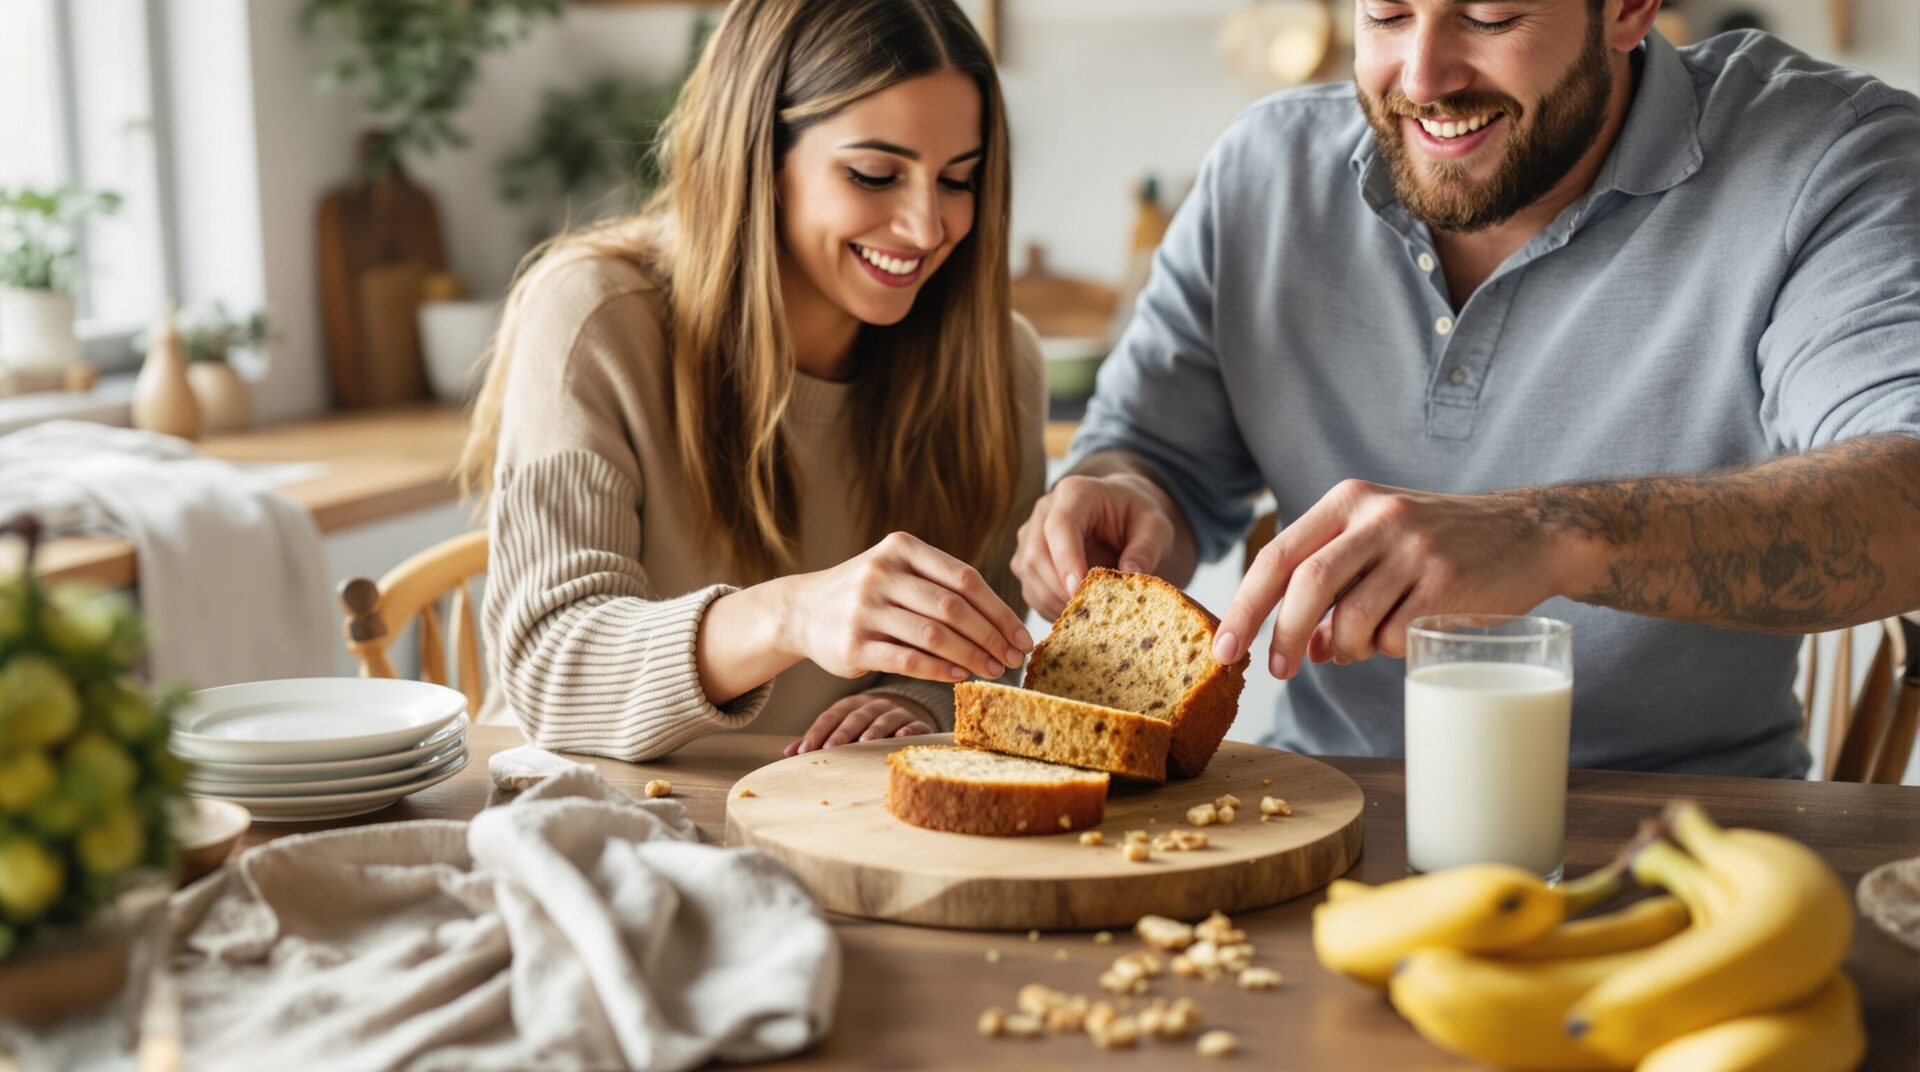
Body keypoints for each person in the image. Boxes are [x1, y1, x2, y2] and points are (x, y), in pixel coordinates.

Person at [1014, 0, 1920, 776]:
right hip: (1320, 815)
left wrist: (1550, 535)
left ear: (1630, 7)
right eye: (1387, 13)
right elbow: (1153, 454)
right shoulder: (1263, 171)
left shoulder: (1831, 158)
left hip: (1683, 845)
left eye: (1489, 16)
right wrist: (1128, 496)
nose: (1423, 76)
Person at [460, 0, 1044, 761]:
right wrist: (789, 616)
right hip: (591, 819)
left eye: (959, 180)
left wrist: (919, 696)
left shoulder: (998, 363)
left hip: (835, 830)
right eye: (875, 174)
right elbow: (549, 672)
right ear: (757, 155)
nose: (926, 227)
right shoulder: (594, 323)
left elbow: (997, 655)